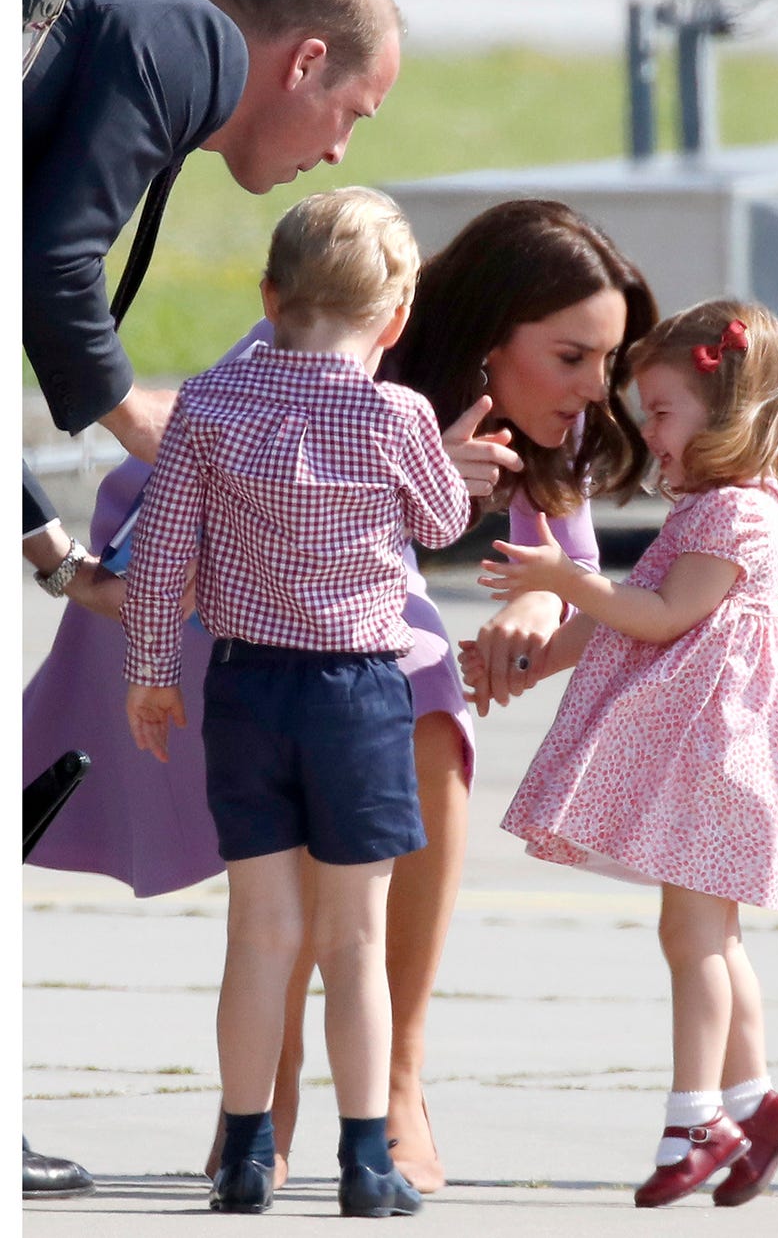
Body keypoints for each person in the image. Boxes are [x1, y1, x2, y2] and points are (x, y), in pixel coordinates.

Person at [24, 199, 659, 1192]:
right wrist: (441, 471)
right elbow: (198, 500)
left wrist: (531, 611)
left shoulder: (531, 415)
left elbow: (560, 557)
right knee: (318, 881)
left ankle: (387, 1083)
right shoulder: (345, 361)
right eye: (571, 356)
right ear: (484, 335)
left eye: (608, 363)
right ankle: (279, 1103)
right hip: (219, 604)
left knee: (417, 721)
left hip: (297, 644)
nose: (592, 389)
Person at [122, 186, 471, 1217]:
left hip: (244, 682)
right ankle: (366, 1160)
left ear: (269, 295)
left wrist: (148, 672)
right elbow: (442, 518)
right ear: (395, 316)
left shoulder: (207, 405)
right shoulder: (394, 412)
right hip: (360, 692)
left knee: (258, 930)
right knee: (352, 939)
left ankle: (242, 1150)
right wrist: (443, 460)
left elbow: (162, 558)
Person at [466, 299, 778, 1209]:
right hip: (707, 755)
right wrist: (538, 658)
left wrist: (559, 577)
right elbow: (626, 614)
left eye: (661, 411)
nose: (645, 430)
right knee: (713, 935)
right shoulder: (714, 509)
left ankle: (696, 1116)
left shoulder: (738, 518)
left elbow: (659, 617)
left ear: (728, 411)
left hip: (716, 756)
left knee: (692, 936)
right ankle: (753, 1100)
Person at [23, 0, 402, 584]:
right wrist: (136, 413)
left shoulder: (162, 41)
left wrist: (63, 564)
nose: (340, 151)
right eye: (351, 115)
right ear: (307, 62)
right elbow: (51, 267)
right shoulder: (197, 45)